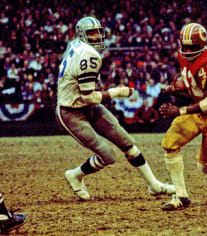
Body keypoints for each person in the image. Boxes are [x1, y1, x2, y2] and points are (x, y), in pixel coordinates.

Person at [56, 16, 175, 201]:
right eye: (91, 33)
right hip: (71, 110)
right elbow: (87, 95)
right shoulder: (89, 54)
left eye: (97, 32)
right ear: (81, 34)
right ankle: (75, 175)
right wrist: (116, 92)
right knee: (107, 156)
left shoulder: (75, 45)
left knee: (128, 143)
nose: (96, 36)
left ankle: (154, 185)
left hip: (90, 107)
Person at [158, 22, 207, 211]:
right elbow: (191, 79)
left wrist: (179, 110)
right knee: (170, 144)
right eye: (186, 46)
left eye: (193, 47)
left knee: (205, 167)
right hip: (197, 111)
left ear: (202, 45)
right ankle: (181, 196)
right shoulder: (183, 56)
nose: (188, 50)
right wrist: (178, 87)